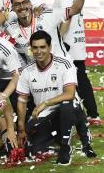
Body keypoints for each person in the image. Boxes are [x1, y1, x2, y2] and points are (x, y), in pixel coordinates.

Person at [16, 30, 93, 164]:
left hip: (67, 108)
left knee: (67, 106)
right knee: (33, 148)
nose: (38, 51)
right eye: (35, 48)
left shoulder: (64, 64)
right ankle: (56, 138)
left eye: (42, 47)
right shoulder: (27, 71)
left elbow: (69, 94)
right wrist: (21, 129)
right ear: (31, 49)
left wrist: (45, 103)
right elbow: (22, 101)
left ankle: (67, 147)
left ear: (50, 47)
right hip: (45, 113)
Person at [49, 0, 99, 124]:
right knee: (80, 79)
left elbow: (66, 18)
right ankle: (91, 113)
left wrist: (58, 42)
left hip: (68, 46)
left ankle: (89, 114)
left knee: (74, 81)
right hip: (77, 43)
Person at [4, 0, 85, 65]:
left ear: (30, 4)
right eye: (17, 4)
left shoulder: (48, 15)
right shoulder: (11, 29)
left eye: (25, 2)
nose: (22, 7)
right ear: (13, 8)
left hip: (60, 67)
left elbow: (74, 10)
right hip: (36, 73)